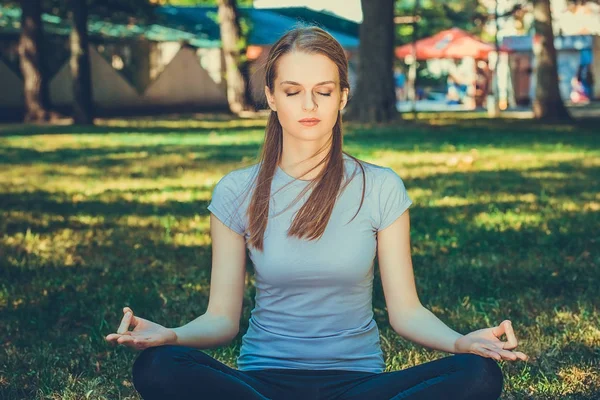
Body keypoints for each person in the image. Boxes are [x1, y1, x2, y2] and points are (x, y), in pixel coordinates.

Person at [105, 26, 528, 400]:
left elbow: (406, 312)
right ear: (271, 96)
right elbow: (221, 319)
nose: (309, 104)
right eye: (292, 91)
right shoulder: (236, 190)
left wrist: (461, 344)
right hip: (262, 384)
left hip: (358, 384)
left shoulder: (381, 187)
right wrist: (171, 336)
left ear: (342, 97)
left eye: (323, 91)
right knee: (157, 366)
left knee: (477, 375)